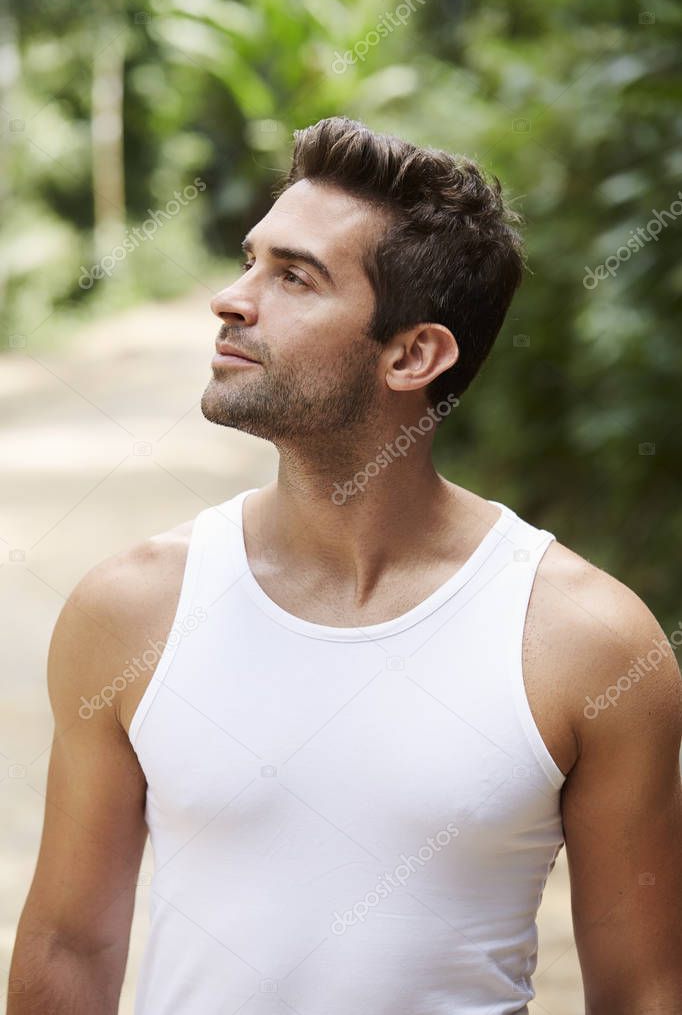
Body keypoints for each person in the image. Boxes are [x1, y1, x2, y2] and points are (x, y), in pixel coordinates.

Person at [8, 117, 682, 1014]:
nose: (231, 298)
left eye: (294, 276)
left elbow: (645, 989)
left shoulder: (587, 642)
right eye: (250, 260)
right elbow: (67, 945)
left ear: (414, 354)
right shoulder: (131, 609)